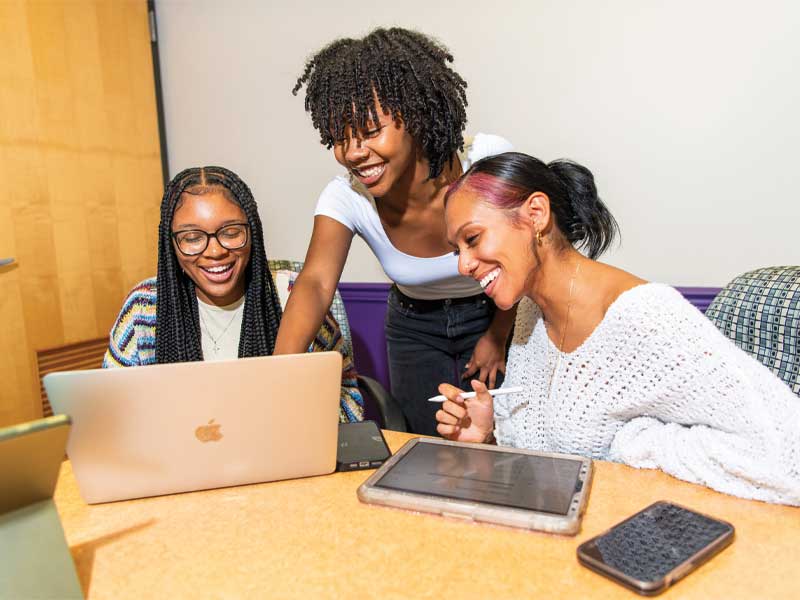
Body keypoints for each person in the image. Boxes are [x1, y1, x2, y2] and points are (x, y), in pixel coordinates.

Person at [436, 151, 800, 505]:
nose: (464, 265)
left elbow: (788, 454)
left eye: (473, 239)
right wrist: (488, 436)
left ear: (536, 214)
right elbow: (547, 450)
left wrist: (635, 444)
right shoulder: (530, 312)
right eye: (457, 251)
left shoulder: (642, 314)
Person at [277, 27, 515, 435]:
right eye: (339, 137)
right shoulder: (345, 196)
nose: (352, 153)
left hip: (496, 313)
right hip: (413, 328)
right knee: (425, 453)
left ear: (415, 118)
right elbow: (315, 283)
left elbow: (529, 257)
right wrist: (277, 375)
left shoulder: (487, 160)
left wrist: (497, 333)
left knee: (506, 446)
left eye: (370, 132)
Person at [103, 166, 363, 423]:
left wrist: (295, 420)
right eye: (192, 237)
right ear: (171, 244)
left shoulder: (294, 299)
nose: (215, 251)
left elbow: (349, 405)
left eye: (231, 233)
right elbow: (112, 413)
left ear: (253, 234)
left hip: (278, 458)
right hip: (177, 461)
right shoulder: (144, 310)